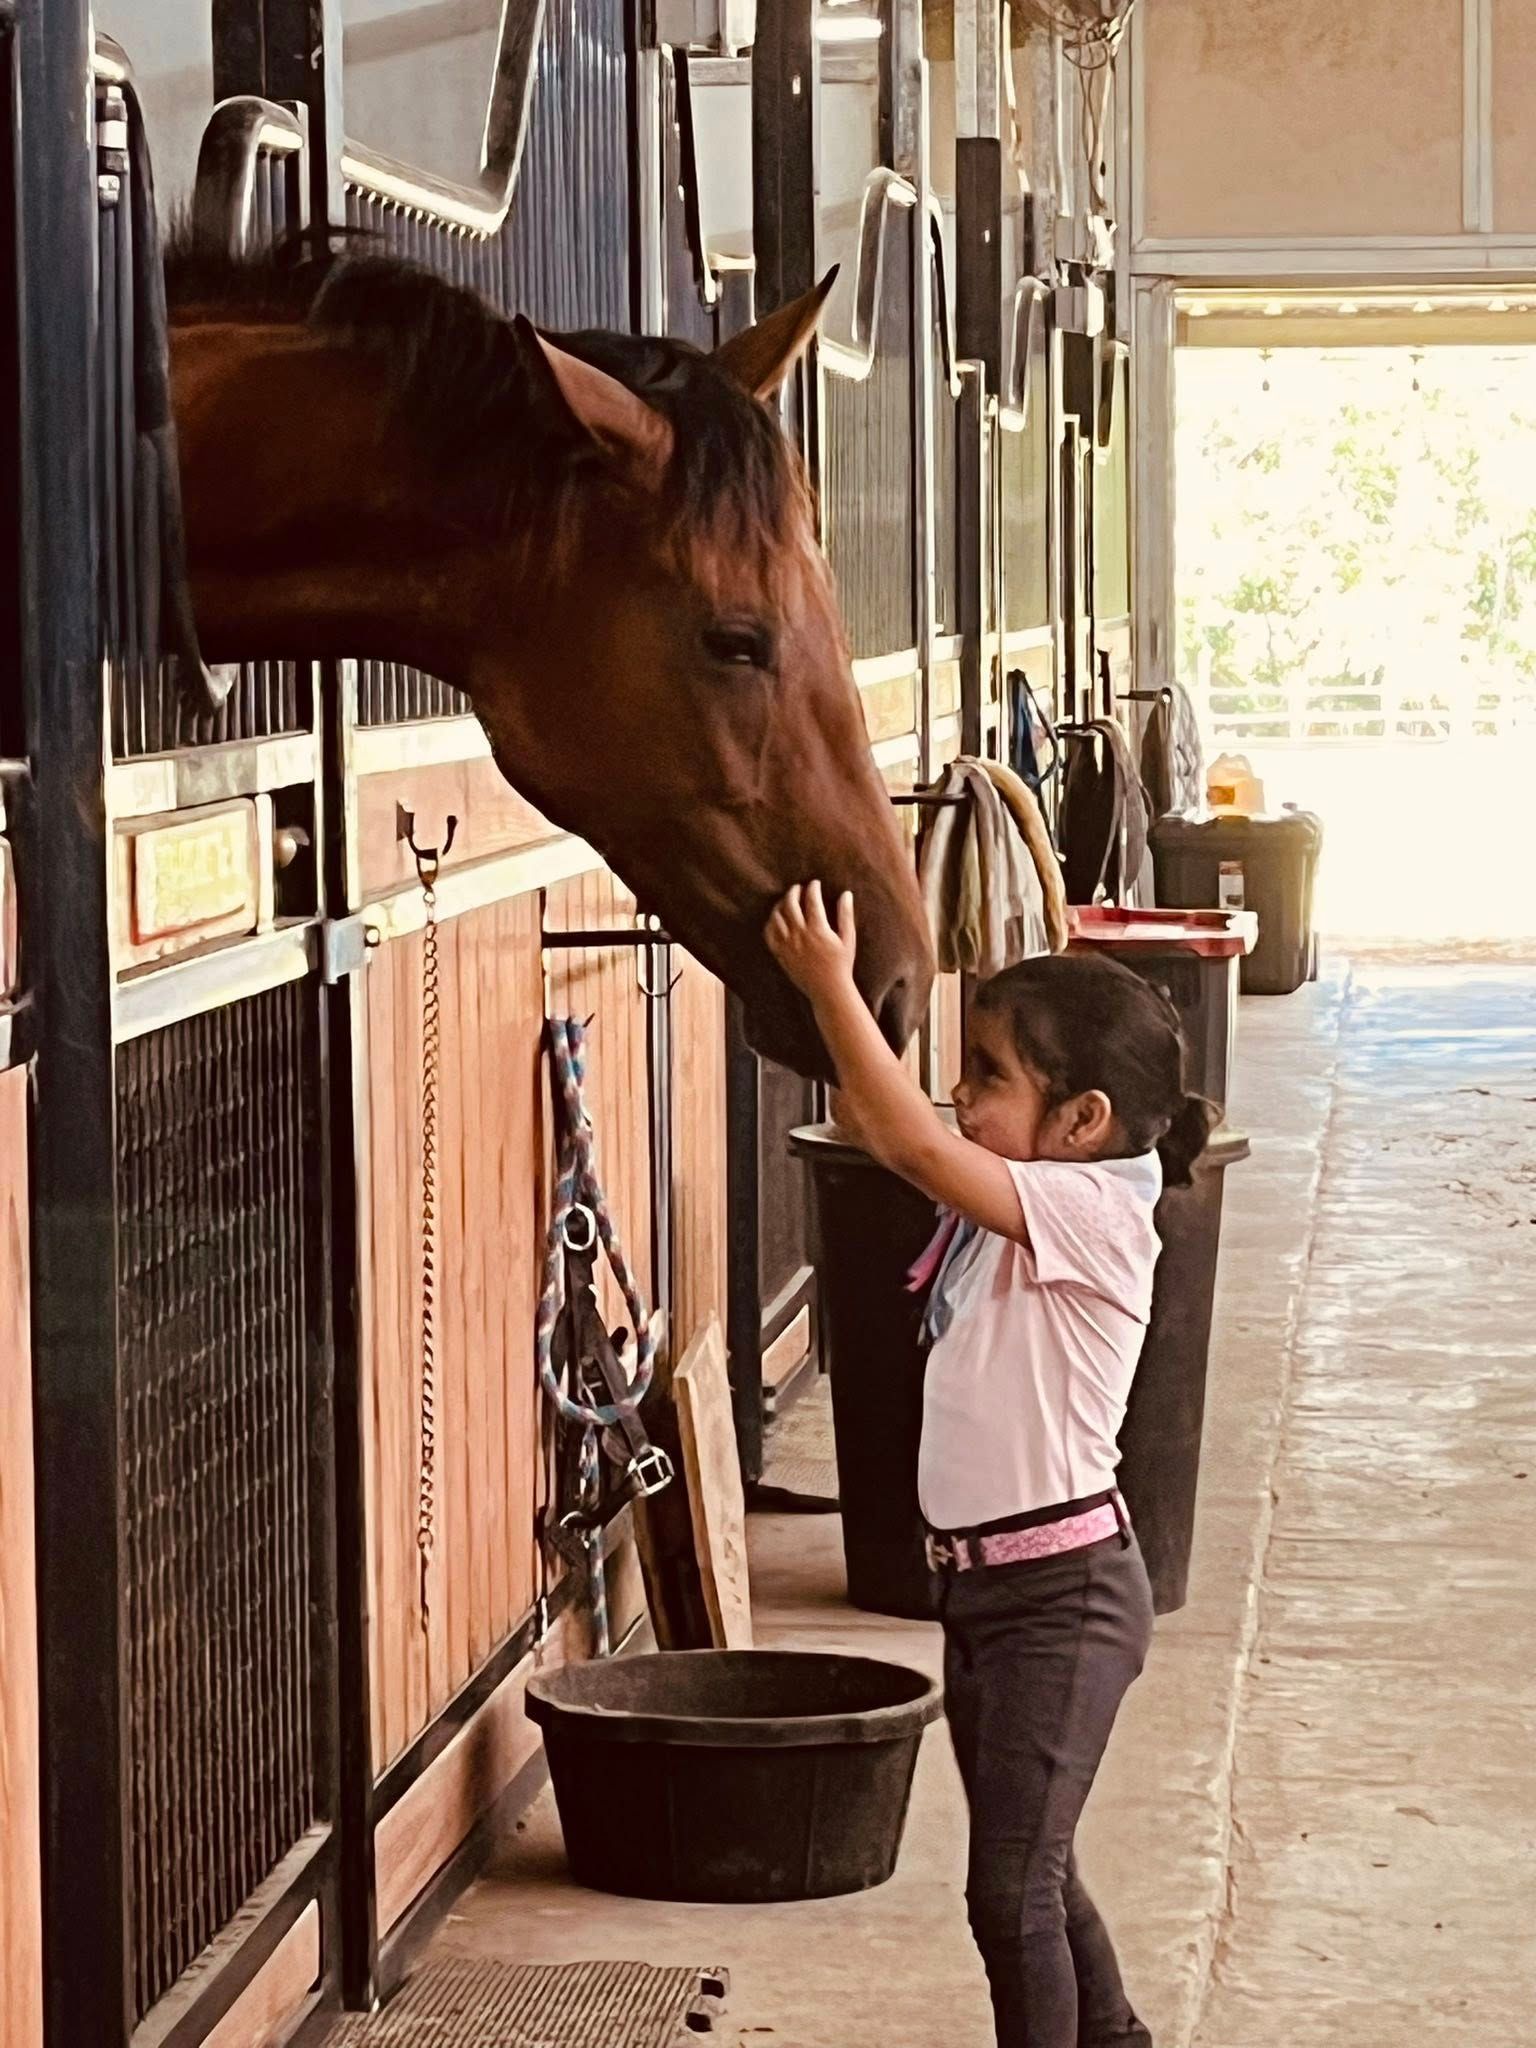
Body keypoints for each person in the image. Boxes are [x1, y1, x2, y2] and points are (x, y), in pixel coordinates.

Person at [764, 881, 1216, 2048]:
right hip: (988, 1587)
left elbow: (903, 1135)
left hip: (1060, 1597)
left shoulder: (1098, 1211)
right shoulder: (1033, 1190)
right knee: (1038, 1872)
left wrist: (827, 981)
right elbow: (892, 1126)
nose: (959, 1094)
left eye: (988, 1074)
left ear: (1082, 1118)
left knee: (1007, 1889)